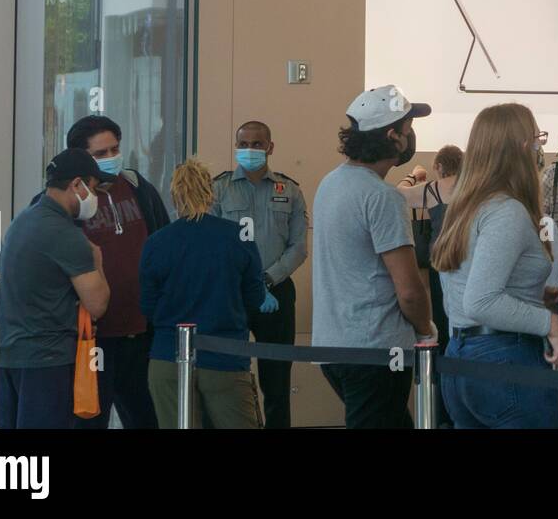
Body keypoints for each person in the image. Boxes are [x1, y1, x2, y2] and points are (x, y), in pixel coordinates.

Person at [433, 103, 558, 429]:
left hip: (460, 359)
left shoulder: (464, 208)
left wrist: (533, 297)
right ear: (523, 146)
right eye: (537, 139)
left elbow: (463, 292)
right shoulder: (507, 211)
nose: (540, 148)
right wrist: (549, 322)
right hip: (505, 360)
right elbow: (481, 301)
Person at [312, 87, 435, 428]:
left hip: (332, 345)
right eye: (408, 128)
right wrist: (426, 330)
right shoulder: (382, 197)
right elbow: (409, 290)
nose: (411, 136)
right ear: (393, 136)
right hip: (376, 350)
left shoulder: (329, 184)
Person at [141, 159, 273, 428]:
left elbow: (148, 305)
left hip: (168, 357)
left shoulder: (157, 242)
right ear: (212, 193)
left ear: (174, 195)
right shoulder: (238, 238)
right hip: (225, 357)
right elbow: (254, 297)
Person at [59, 115, 168, 429]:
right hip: (94, 338)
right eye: (100, 154)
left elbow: (162, 242)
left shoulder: (138, 187)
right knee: (91, 420)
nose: (111, 158)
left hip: (141, 332)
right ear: (80, 159)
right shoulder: (68, 200)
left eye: (115, 149)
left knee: (147, 418)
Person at [0, 149, 111, 429]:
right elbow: (97, 305)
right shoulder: (65, 234)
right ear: (76, 185)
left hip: (12, 354)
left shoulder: (24, 220)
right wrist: (97, 262)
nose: (94, 198)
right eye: (93, 189)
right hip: (47, 361)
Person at [210, 120, 307, 428]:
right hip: (231, 294)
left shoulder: (289, 190)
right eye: (243, 144)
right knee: (227, 378)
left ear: (270, 147)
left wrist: (266, 279)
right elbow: (209, 243)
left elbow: (298, 247)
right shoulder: (218, 188)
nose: (249, 150)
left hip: (275, 293)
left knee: (276, 381)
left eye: (256, 144)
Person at [397, 144, 462, 428]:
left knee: (443, 334)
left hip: (440, 265)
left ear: (438, 166)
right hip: (469, 264)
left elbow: (397, 195)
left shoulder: (432, 190)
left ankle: (442, 412)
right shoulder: (472, 188)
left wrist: (413, 176)